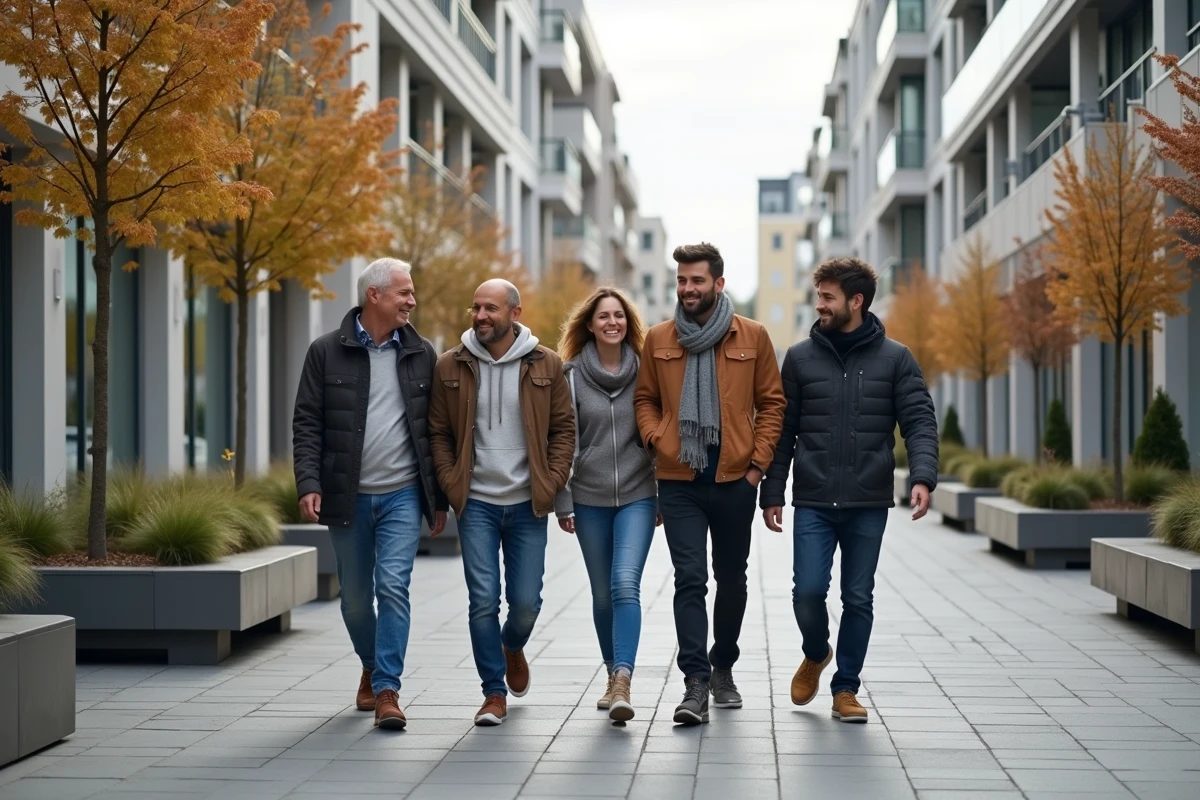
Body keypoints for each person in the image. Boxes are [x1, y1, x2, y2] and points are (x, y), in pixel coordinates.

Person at [761, 257, 938, 724]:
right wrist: (773, 490)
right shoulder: (799, 359)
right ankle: (816, 652)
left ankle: (845, 689)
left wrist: (922, 476)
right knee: (808, 592)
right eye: (818, 294)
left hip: (868, 501)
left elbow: (919, 420)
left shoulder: (896, 359)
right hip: (815, 499)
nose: (819, 304)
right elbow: (784, 430)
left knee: (858, 597)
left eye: (827, 297)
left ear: (855, 302)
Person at [634, 242, 786, 725]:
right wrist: (660, 437)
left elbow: (772, 404)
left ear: (718, 284)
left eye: (697, 280)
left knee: (732, 579)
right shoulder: (659, 337)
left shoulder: (753, 336)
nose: (687, 289)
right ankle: (695, 682)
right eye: (681, 280)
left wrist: (756, 469)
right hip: (679, 478)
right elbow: (644, 399)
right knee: (690, 579)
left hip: (733, 479)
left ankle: (724, 666)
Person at [292, 258, 447, 731]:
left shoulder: (423, 354)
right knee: (355, 599)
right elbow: (307, 423)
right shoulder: (325, 352)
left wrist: (436, 498)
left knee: (393, 587)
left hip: (402, 493)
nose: (412, 301)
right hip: (347, 495)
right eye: (404, 292)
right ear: (374, 296)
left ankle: (387, 690)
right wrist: (309, 482)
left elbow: (436, 431)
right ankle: (371, 663)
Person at [428, 279, 575, 727]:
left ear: (514, 312)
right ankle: (493, 693)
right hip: (476, 505)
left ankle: (512, 645)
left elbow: (564, 429)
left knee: (526, 603)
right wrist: (452, 481)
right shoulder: (450, 365)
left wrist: (550, 481)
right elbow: (437, 430)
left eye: (490, 308)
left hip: (528, 503)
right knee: (482, 601)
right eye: (476, 307)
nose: (480, 315)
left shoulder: (546, 363)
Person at [554, 288, 659, 723]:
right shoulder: (571, 375)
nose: (611, 322)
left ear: (627, 322)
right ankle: (612, 674)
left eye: (619, 315)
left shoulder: (648, 371)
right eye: (603, 316)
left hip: (639, 494)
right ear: (590, 324)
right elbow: (561, 439)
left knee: (623, 584)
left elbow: (661, 431)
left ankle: (622, 679)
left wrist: (665, 493)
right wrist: (563, 499)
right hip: (589, 497)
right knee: (601, 595)